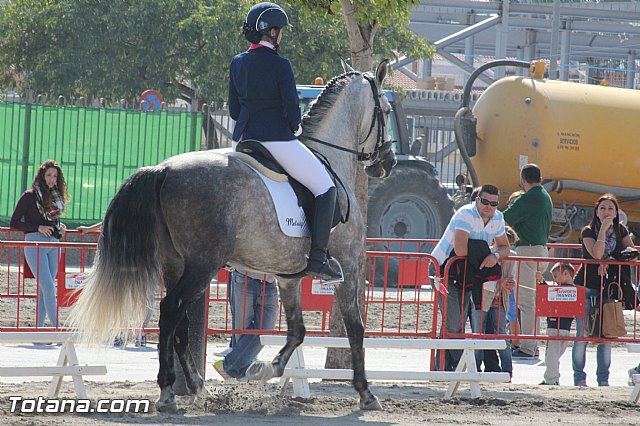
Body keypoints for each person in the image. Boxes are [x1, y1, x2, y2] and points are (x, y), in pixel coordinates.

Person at [228, 2, 339, 280]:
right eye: (281, 32)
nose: (282, 37)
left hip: (243, 141)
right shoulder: (281, 65)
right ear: (273, 32)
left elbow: (233, 110)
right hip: (277, 140)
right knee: (326, 187)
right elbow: (291, 110)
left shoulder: (237, 62)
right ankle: (318, 259)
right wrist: (294, 128)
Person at [431, 184, 510, 371]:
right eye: (484, 202)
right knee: (453, 323)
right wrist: (487, 252)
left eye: (493, 203)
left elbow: (505, 247)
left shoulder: (498, 218)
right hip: (443, 270)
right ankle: (455, 369)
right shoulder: (466, 213)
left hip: (467, 272)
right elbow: (460, 249)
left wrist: (495, 256)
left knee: (457, 323)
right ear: (477, 201)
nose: (488, 206)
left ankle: (445, 368)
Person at [572, 193, 635, 387]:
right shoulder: (588, 231)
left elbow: (632, 254)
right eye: (603, 208)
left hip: (609, 288)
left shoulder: (621, 230)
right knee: (583, 333)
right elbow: (597, 253)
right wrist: (603, 231)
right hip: (587, 285)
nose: (607, 211)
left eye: (610, 208)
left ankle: (603, 379)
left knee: (606, 334)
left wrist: (611, 260)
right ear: (596, 212)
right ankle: (579, 378)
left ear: (616, 212)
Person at [10, 160, 70, 329]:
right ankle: (57, 329)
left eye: (55, 176)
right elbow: (14, 222)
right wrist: (38, 227)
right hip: (35, 243)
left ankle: (38, 330)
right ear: (42, 176)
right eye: (49, 175)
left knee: (45, 290)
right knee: (49, 288)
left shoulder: (56, 198)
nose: (52, 179)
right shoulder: (30, 195)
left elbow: (52, 220)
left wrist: (60, 227)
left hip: (54, 245)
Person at [503, 164, 553, 358]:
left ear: (523, 180)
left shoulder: (529, 198)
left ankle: (527, 347)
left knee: (525, 303)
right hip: (539, 250)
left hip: (527, 251)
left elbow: (506, 219)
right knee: (530, 301)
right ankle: (530, 345)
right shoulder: (544, 196)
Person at [78, 222, 153, 347]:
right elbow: (110, 217)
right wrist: (89, 229)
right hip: (127, 258)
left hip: (140, 258)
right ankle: (122, 333)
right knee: (125, 296)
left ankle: (139, 333)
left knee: (144, 298)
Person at [214, 269, 279, 380]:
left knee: (265, 330)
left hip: (269, 282)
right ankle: (239, 373)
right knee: (242, 331)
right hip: (245, 278)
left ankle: (229, 366)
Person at [476, 226, 518, 379]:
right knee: (479, 334)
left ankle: (508, 370)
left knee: (501, 334)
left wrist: (506, 284)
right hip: (483, 299)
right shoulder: (487, 253)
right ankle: (476, 369)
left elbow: (510, 279)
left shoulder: (512, 257)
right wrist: (501, 283)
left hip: (500, 299)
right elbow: (483, 281)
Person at [540, 263, 575, 386]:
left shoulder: (561, 291)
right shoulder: (574, 291)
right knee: (554, 356)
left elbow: (548, 296)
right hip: (565, 329)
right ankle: (553, 377)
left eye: (555, 276)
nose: (554, 280)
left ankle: (552, 379)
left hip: (555, 327)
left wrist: (541, 282)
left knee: (551, 356)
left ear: (566, 274)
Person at [505, 191, 524, 351]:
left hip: (508, 281)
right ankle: (515, 341)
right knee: (511, 312)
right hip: (508, 280)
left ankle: (516, 342)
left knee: (512, 312)